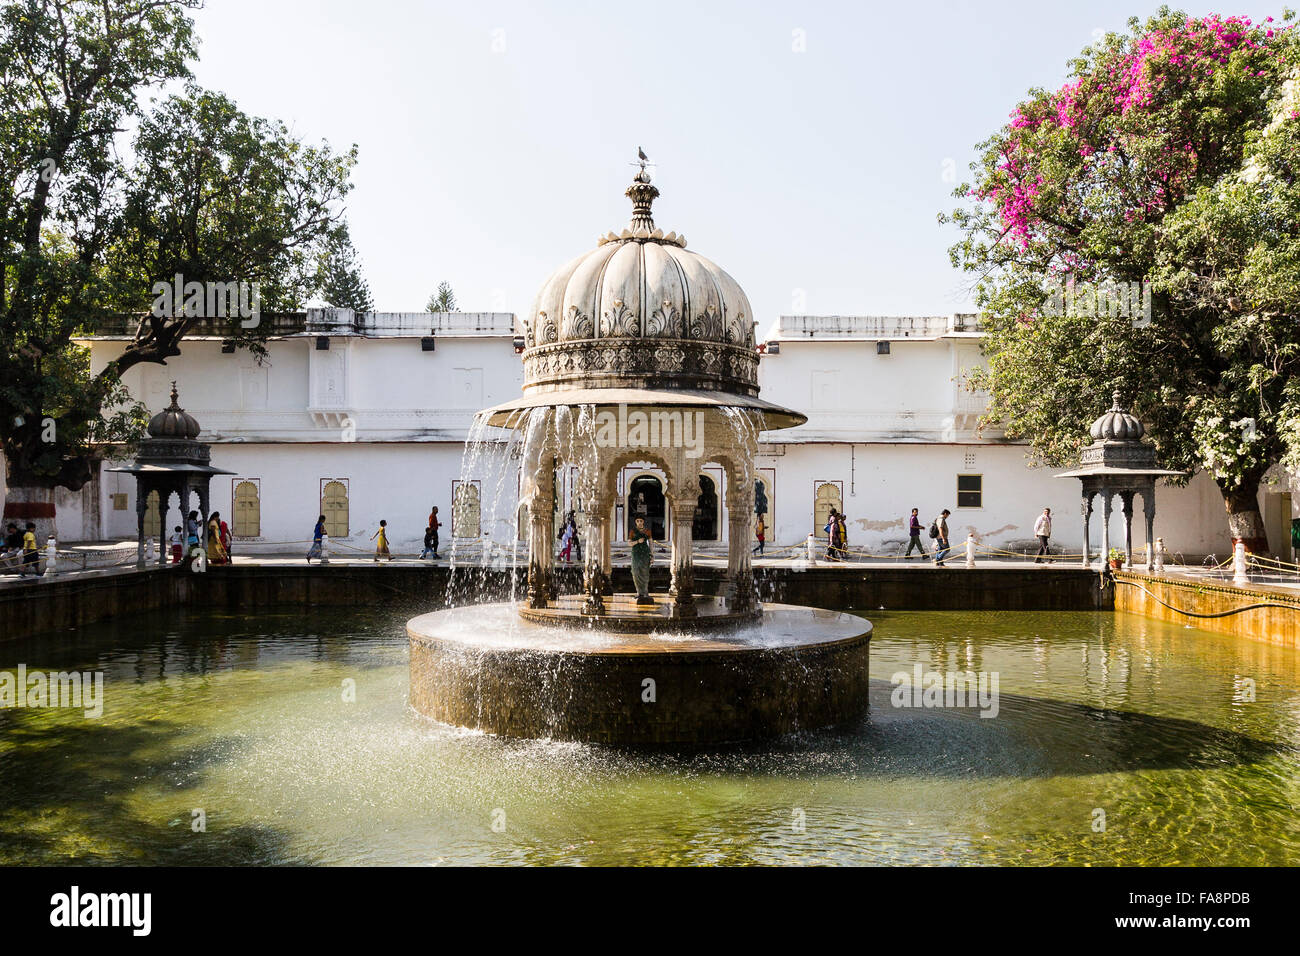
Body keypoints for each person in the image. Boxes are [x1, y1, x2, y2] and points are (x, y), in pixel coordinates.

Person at [630, 516, 654, 605]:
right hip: (636, 554)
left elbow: (651, 543)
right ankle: (639, 592)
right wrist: (637, 542)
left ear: (643, 522)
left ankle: (645, 592)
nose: (639, 522)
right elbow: (629, 543)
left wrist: (652, 555)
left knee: (645, 573)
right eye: (637, 521)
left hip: (645, 554)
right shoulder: (632, 531)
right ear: (636, 522)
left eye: (641, 521)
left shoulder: (647, 531)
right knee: (635, 572)